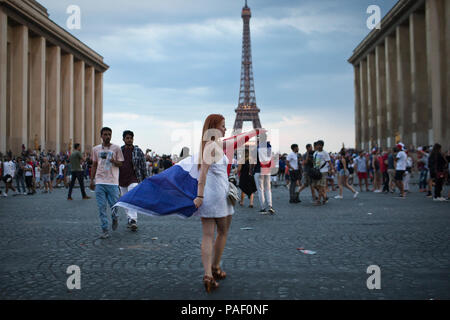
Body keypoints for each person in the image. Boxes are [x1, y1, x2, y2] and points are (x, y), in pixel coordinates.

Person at [90, 127, 124, 239]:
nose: (107, 136)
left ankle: (115, 218)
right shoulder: (95, 149)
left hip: (113, 182)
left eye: (109, 134)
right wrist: (92, 179)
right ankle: (105, 229)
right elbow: (94, 164)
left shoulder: (116, 148)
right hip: (100, 181)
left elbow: (121, 163)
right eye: (105, 134)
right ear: (101, 136)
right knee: (101, 207)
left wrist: (114, 161)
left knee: (114, 206)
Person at [119, 130, 148, 231]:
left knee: (132, 198)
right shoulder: (119, 151)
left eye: (131, 138)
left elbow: (143, 166)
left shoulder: (138, 151)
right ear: (123, 139)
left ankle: (133, 219)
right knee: (125, 200)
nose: (129, 140)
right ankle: (129, 218)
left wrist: (146, 179)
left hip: (134, 178)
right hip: (122, 179)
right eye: (127, 138)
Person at [250, 132, 275, 214]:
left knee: (260, 189)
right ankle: (270, 206)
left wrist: (251, 169)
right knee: (268, 189)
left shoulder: (256, 148)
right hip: (266, 169)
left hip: (258, 170)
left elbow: (252, 161)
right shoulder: (269, 147)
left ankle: (263, 207)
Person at [312, 140, 333, 205]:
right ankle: (324, 197)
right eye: (317, 145)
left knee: (321, 186)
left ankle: (318, 201)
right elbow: (314, 162)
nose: (318, 146)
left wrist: (331, 169)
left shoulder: (325, 153)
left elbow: (329, 162)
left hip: (323, 171)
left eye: (319, 145)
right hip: (316, 171)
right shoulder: (315, 153)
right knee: (315, 185)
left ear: (322, 145)